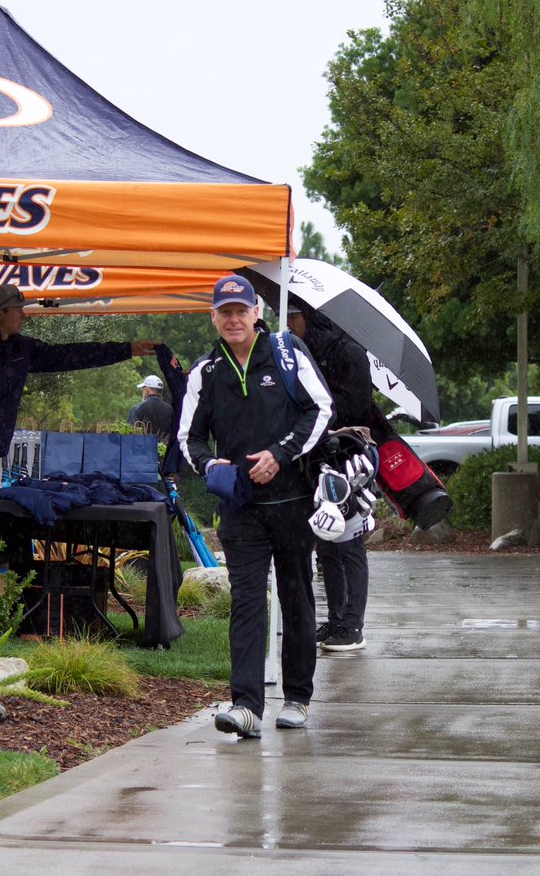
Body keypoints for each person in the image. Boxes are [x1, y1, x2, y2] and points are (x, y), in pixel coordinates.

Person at [179, 274, 333, 738]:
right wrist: (210, 466)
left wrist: (280, 454)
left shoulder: (286, 353)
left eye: (240, 310)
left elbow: (320, 409)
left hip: (291, 501)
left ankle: (298, 699)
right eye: (224, 312)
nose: (233, 319)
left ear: (256, 313)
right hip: (240, 507)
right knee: (246, 600)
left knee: (296, 594)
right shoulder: (205, 372)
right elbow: (188, 438)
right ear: (213, 317)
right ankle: (246, 705)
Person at [0, 283, 160, 477]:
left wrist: (128, 350)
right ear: (0, 313)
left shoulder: (20, 349)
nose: (24, 316)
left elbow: (71, 355)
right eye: (18, 310)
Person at [287, 301, 376, 652]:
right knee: (326, 541)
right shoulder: (306, 355)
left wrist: (314, 400)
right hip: (318, 457)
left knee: (349, 543)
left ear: (309, 319)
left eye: (293, 317)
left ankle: (353, 624)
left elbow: (354, 405)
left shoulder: (350, 352)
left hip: (347, 458)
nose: (289, 324)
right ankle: (337, 619)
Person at [127, 374, 173, 439]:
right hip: (165, 448)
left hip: (143, 448)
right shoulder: (171, 410)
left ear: (147, 390)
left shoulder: (136, 409)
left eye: (143, 389)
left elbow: (130, 435)